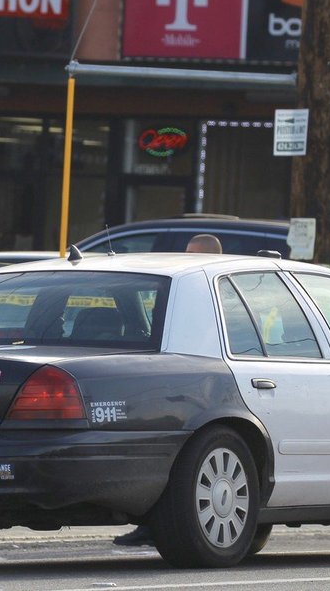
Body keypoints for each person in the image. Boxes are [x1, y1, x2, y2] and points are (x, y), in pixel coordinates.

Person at [114, 232, 225, 548]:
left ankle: (161, 525)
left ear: (211, 256)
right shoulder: (188, 291)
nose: (187, 260)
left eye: (195, 255)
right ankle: (152, 524)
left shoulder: (217, 292)